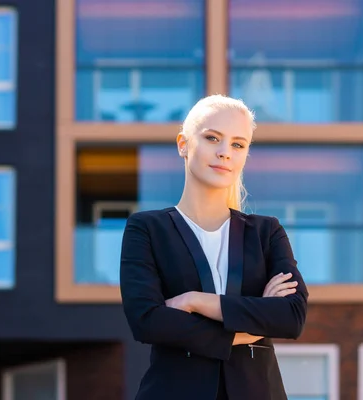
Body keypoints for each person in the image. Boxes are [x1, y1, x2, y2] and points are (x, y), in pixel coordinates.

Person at [119, 94, 309, 400]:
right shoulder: (147, 228)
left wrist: (196, 302)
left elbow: (291, 317)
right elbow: (148, 321)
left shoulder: (266, 231)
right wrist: (252, 325)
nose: (225, 153)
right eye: (212, 138)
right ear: (183, 144)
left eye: (238, 144)